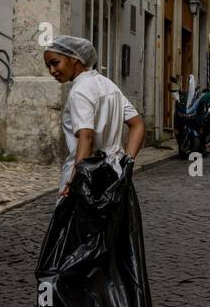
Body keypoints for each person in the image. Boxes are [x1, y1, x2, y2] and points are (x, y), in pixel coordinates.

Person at [43, 36, 145, 198]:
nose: (52, 71)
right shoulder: (109, 85)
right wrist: (128, 162)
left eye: (55, 63)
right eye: (48, 66)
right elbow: (137, 124)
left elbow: (86, 136)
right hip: (115, 173)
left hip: (88, 175)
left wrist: (77, 180)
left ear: (74, 59)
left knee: (73, 223)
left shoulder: (79, 91)